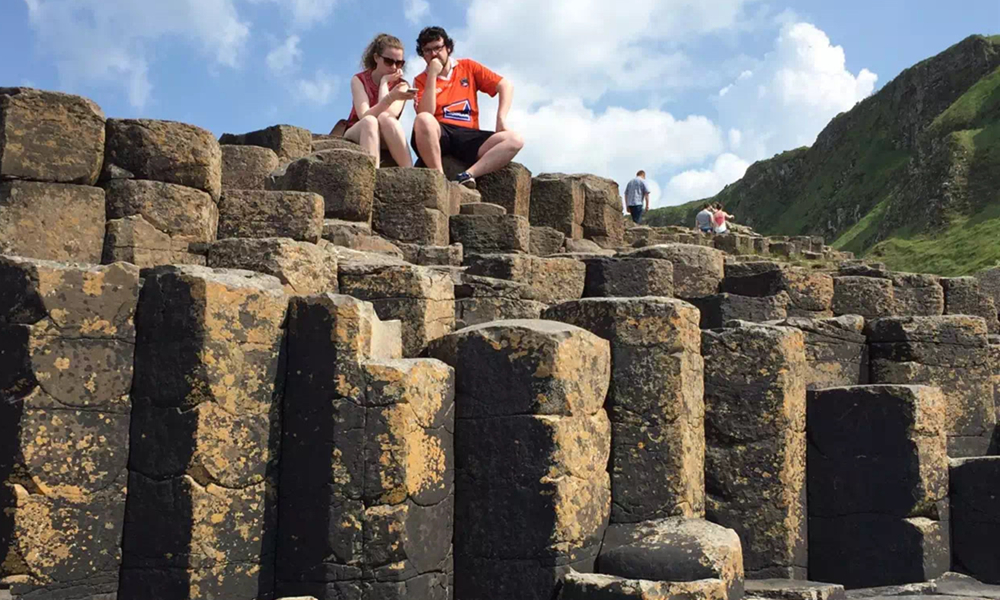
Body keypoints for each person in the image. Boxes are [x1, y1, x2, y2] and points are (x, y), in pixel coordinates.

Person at [412, 26, 524, 188]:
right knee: (423, 119)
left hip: (469, 136)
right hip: (440, 133)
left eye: (438, 48)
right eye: (427, 51)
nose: (434, 54)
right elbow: (425, 112)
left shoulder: (467, 66)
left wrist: (501, 119)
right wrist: (432, 76)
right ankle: (438, 178)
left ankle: (467, 175)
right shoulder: (420, 80)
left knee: (515, 139)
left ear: (448, 48)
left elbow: (505, 85)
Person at [342, 33, 416, 168]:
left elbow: (388, 114)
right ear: (376, 58)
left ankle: (409, 170)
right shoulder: (359, 80)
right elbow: (364, 115)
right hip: (359, 130)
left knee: (386, 119)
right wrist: (387, 90)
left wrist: (384, 84)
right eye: (389, 61)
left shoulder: (402, 85)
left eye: (399, 63)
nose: (394, 67)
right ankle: (372, 173)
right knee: (370, 121)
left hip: (385, 133)